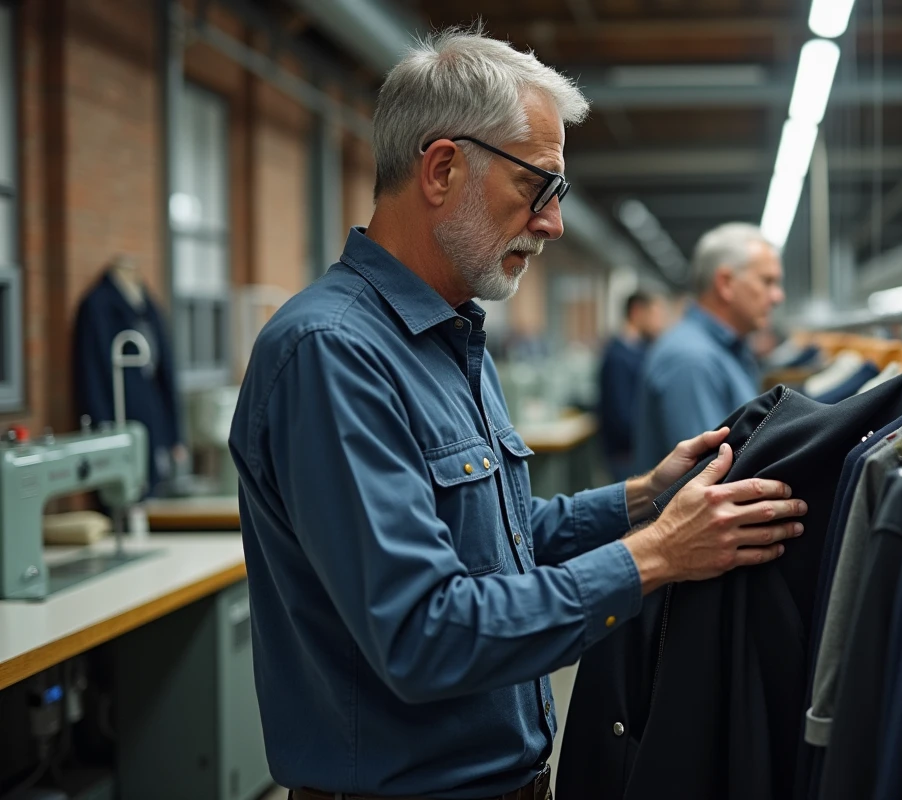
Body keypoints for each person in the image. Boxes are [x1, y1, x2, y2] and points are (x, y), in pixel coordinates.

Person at [227, 27, 807, 800]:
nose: (552, 223)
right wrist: (657, 555)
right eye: (540, 186)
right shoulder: (332, 353)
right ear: (442, 169)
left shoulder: (451, 339)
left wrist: (642, 499)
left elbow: (500, 545)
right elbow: (424, 631)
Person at [633, 222, 785, 473]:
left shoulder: (727, 351)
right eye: (767, 282)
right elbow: (708, 478)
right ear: (725, 283)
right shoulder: (692, 359)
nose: (778, 296)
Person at [598, 292, 667, 481]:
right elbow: (621, 416)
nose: (659, 322)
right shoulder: (618, 357)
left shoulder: (642, 350)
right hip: (626, 456)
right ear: (637, 312)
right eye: (655, 314)